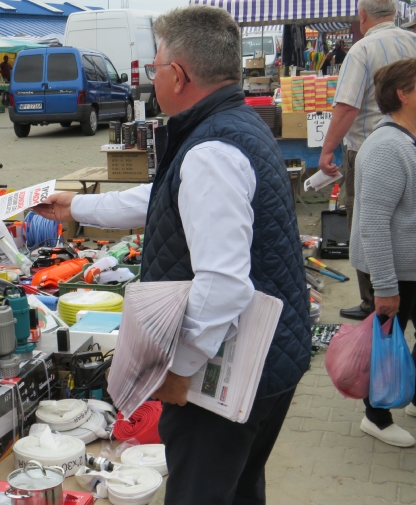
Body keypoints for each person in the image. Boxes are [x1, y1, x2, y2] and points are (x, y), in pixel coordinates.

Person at [34, 6, 309, 504]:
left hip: (227, 373)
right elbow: (170, 195)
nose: (151, 77)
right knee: (240, 489)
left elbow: (223, 285)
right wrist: (77, 205)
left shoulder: (211, 149)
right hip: (270, 360)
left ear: (178, 75)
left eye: (155, 66)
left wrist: (178, 368)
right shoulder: (233, 125)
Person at [317, 0, 416, 321]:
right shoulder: (412, 41)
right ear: (394, 13)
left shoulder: (362, 49)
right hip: (405, 142)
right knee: (401, 219)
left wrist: (327, 150)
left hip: (368, 147)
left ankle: (374, 300)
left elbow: (347, 106)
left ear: (362, 15)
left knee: (367, 221)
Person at [350, 59, 416, 447]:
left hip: (409, 268)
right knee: (386, 347)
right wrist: (386, 288)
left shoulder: (406, 140)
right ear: (403, 94)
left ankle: (411, 393)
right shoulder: (387, 147)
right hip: (394, 271)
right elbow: (373, 223)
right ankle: (375, 417)